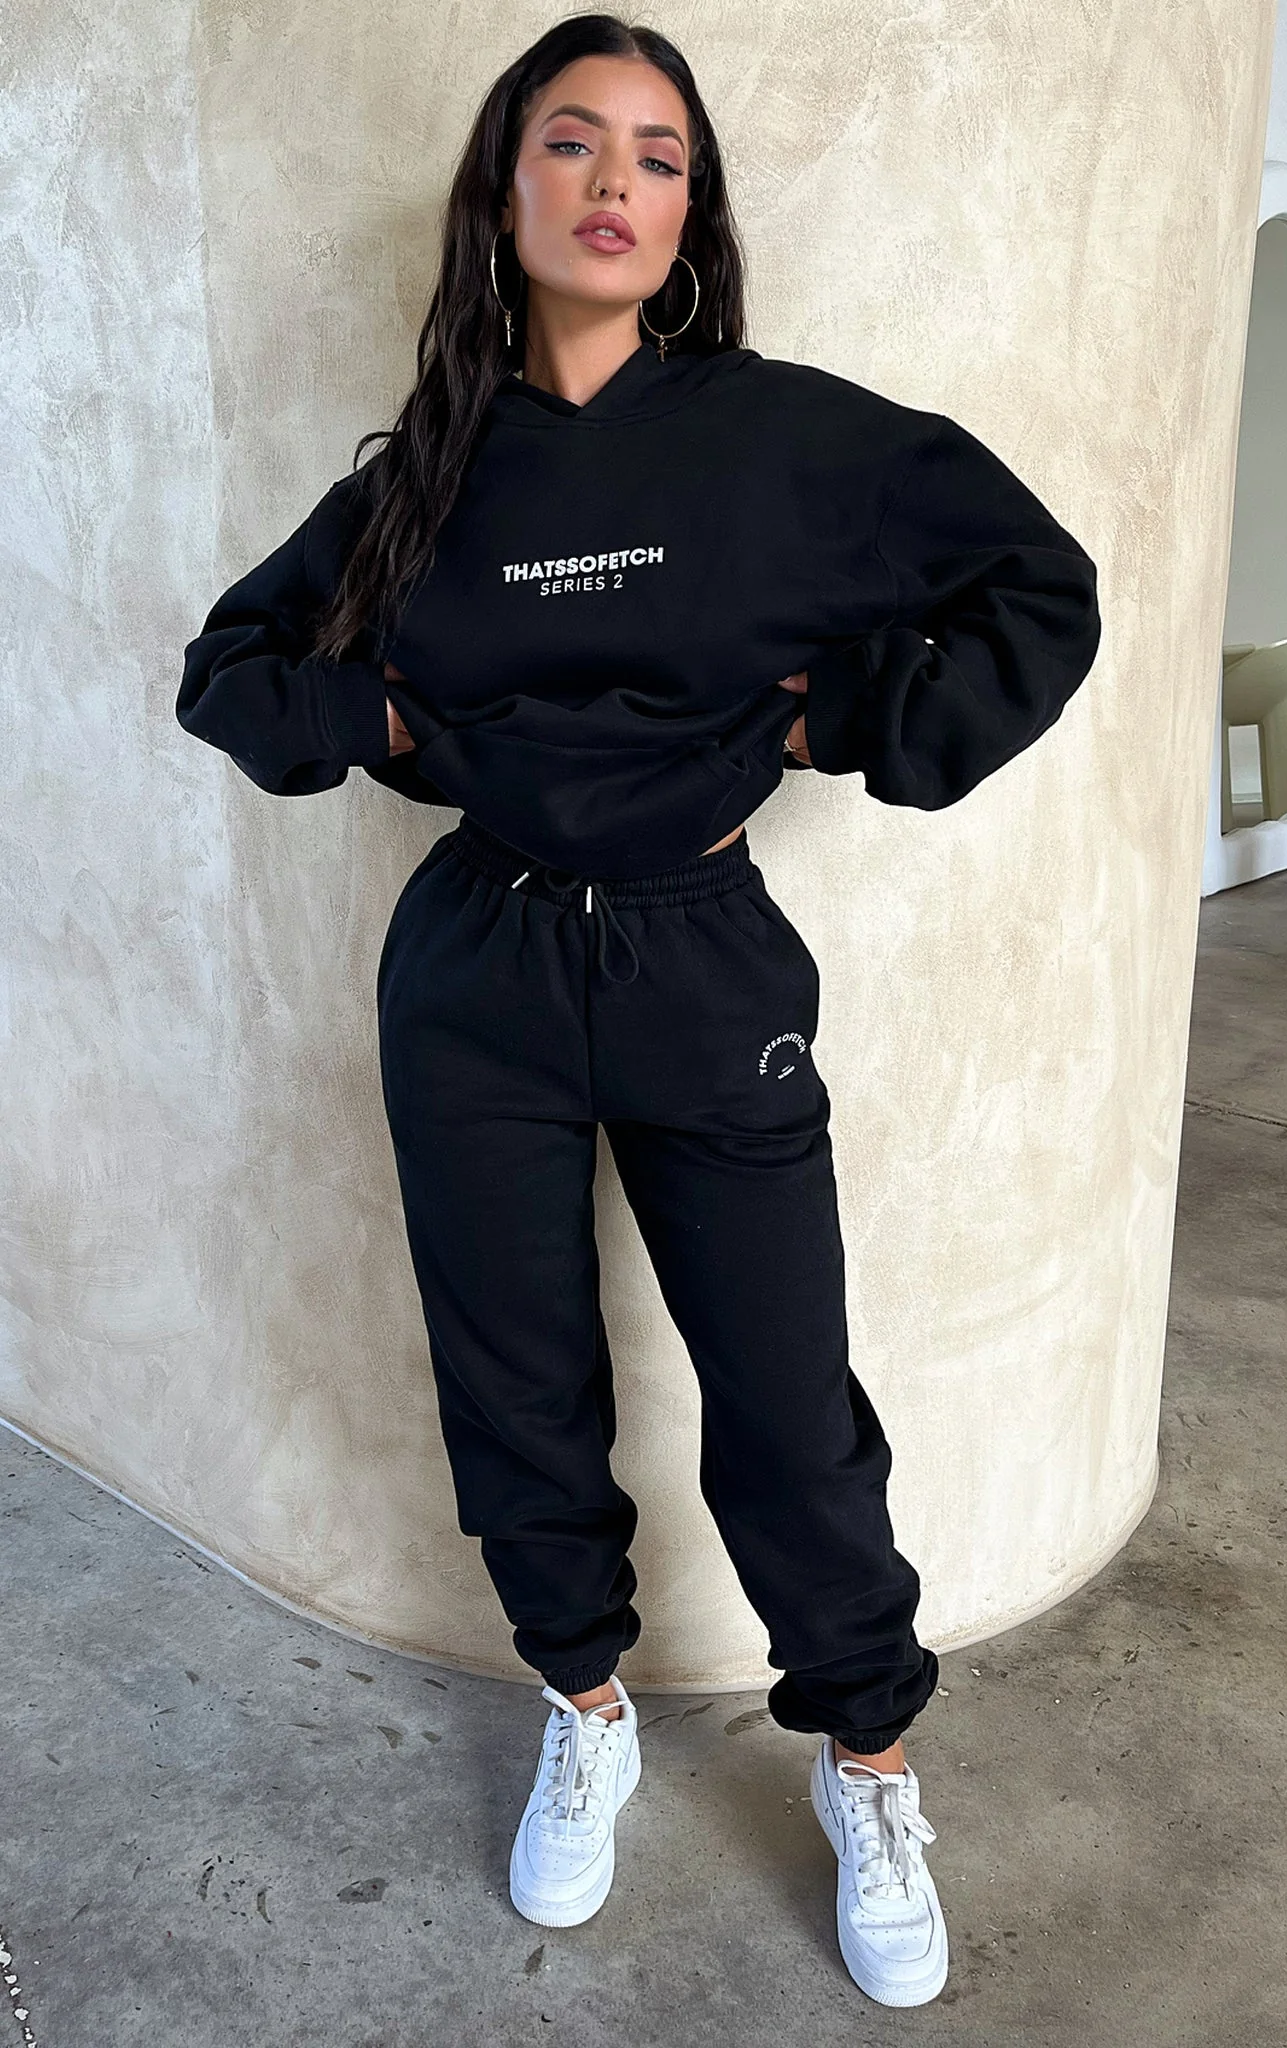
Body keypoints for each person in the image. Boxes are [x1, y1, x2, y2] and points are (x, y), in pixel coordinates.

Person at [176, 11, 1101, 2011]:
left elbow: (1038, 587)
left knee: (784, 1394)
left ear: (689, 216)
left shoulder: (788, 443)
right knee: (514, 1379)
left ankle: (868, 1760)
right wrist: (380, 720)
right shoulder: (425, 474)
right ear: (504, 192)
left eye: (658, 154)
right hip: (478, 974)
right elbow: (232, 669)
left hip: (700, 959)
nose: (614, 180)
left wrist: (853, 721)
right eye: (572, 141)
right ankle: (583, 1705)